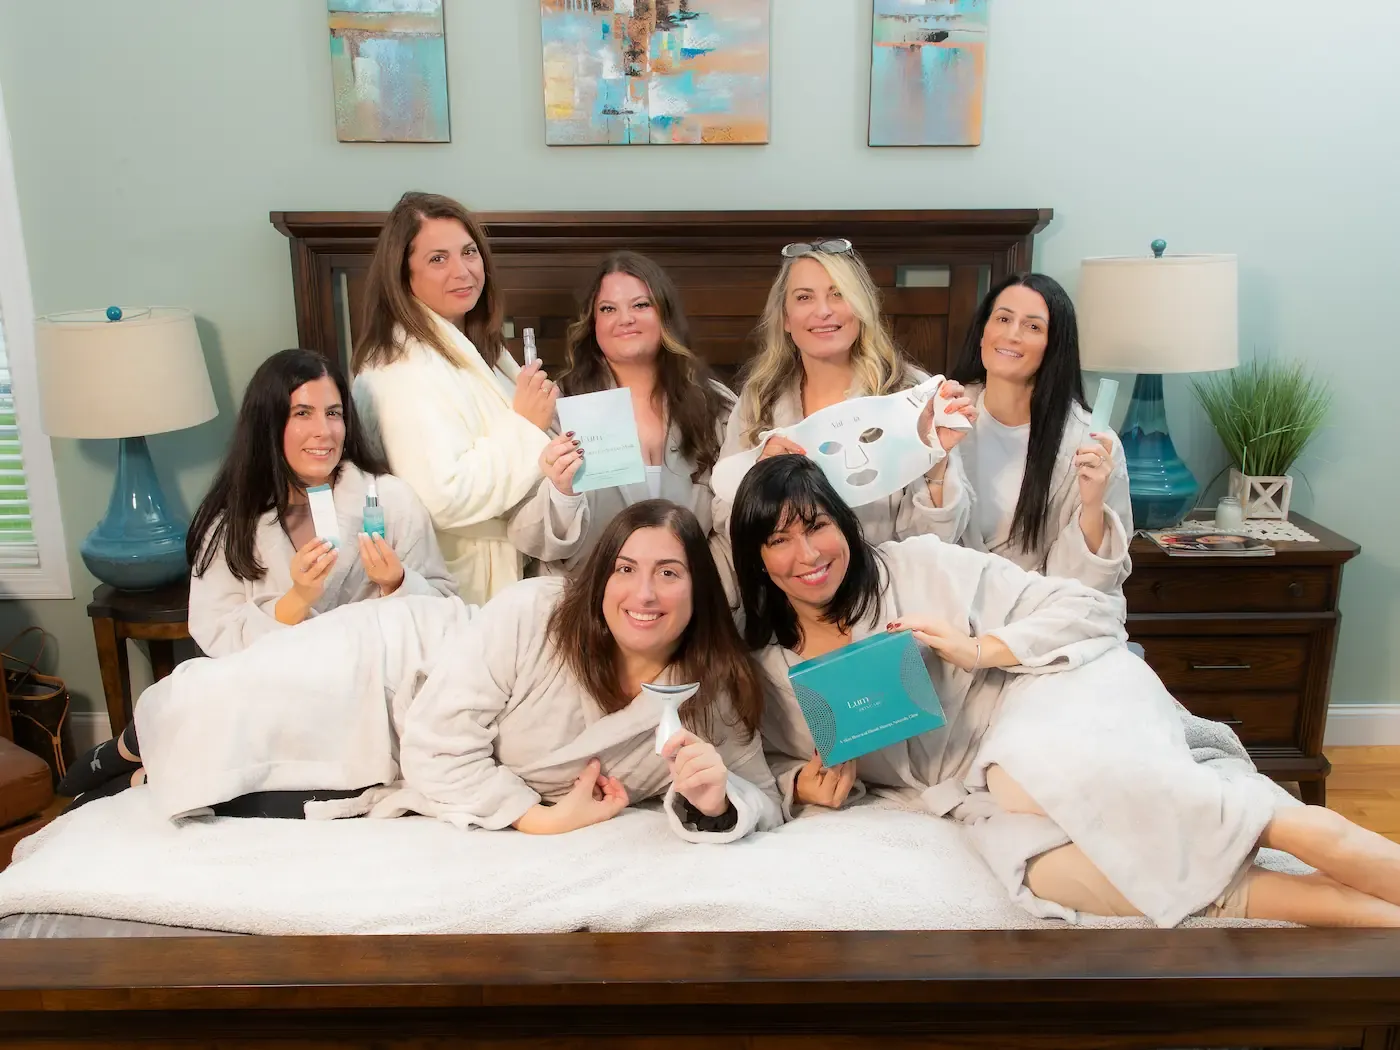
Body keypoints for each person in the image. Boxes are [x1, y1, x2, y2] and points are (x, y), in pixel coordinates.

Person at [732, 455, 1400, 928]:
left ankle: (1294, 827)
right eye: (779, 540)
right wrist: (804, 787)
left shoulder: (919, 567)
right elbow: (770, 768)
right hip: (977, 791)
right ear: (756, 559)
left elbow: (1091, 610)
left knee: (1030, 779)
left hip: (1059, 695)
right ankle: (1329, 902)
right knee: (1042, 873)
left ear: (843, 524)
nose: (806, 554)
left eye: (816, 526)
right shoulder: (768, 671)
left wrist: (979, 649)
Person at [118, 502, 783, 842]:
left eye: (669, 574)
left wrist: (716, 804)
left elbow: (760, 798)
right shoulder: (536, 611)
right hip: (395, 658)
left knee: (243, 790)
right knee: (208, 703)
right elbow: (439, 742)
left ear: (697, 590)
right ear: (599, 579)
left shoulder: (709, 693)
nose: (644, 595)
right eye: (626, 570)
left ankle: (145, 762)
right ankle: (118, 747)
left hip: (400, 753)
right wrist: (541, 821)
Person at [60, 348, 456, 807]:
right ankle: (127, 750)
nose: (323, 431)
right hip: (271, 691)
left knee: (326, 780)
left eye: (333, 413)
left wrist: (397, 582)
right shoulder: (235, 523)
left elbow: (443, 613)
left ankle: (141, 777)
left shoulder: (388, 500)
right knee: (204, 687)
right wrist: (295, 600)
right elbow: (216, 637)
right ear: (270, 423)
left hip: (360, 698)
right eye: (302, 414)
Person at [712, 240, 977, 564]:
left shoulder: (912, 392)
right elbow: (728, 526)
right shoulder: (757, 401)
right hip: (790, 600)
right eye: (804, 297)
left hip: (891, 594)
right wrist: (758, 482)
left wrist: (935, 460)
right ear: (785, 317)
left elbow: (937, 542)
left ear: (862, 306)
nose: (823, 311)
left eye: (838, 294)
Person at [351, 191, 557, 605]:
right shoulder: (399, 368)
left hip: (511, 558)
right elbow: (442, 496)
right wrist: (526, 427)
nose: (463, 271)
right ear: (402, 273)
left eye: (468, 252)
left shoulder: (479, 346)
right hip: (457, 577)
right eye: (438, 259)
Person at [508, 251, 733, 574]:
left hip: (691, 601)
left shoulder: (716, 404)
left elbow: (735, 520)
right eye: (608, 309)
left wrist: (702, 591)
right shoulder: (559, 406)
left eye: (641, 305)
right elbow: (530, 538)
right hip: (583, 599)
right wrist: (561, 491)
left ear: (665, 315)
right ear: (593, 324)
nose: (625, 319)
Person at [947, 273, 1131, 596]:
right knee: (903, 643)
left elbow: (1093, 585)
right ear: (982, 333)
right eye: (1003, 318)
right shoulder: (942, 417)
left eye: (1033, 326)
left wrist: (1092, 507)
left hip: (1047, 618)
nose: (1012, 334)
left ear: (1054, 347)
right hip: (952, 614)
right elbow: (913, 544)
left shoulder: (1096, 444)